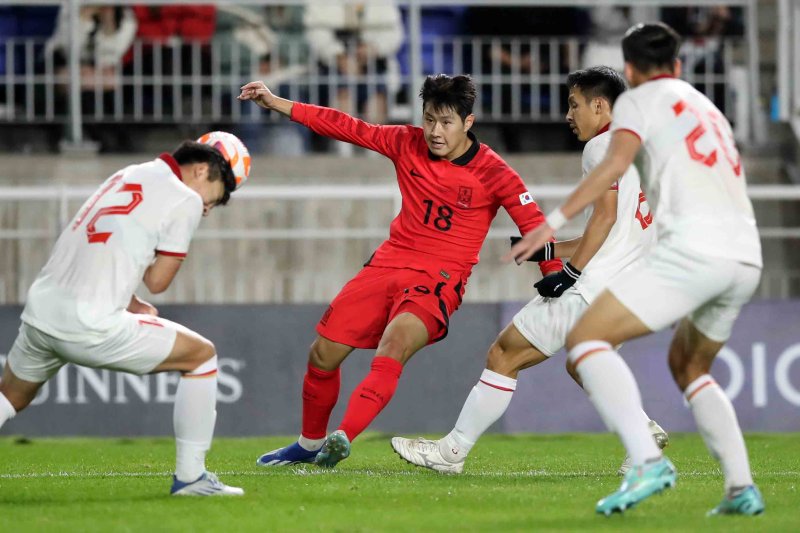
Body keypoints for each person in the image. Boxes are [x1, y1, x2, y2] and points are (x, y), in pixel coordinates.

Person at [238, 74, 563, 468]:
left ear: (468, 123)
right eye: (429, 120)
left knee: (394, 344)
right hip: (388, 264)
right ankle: (309, 444)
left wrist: (553, 273)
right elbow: (347, 126)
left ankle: (343, 437)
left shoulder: (495, 172)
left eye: (446, 123)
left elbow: (534, 222)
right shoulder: (405, 141)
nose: (435, 132)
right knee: (322, 355)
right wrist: (279, 103)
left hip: (438, 280)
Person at [507, 23, 764, 516]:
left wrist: (551, 225)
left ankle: (646, 461)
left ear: (629, 70)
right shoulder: (708, 108)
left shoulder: (638, 102)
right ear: (679, 65)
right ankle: (740, 487)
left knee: (585, 342)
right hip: (745, 253)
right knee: (690, 366)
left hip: (694, 251)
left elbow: (611, 168)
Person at [391, 66, 667, 476]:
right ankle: (640, 433)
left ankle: (451, 453)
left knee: (504, 352)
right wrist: (550, 249)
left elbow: (605, 219)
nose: (568, 115)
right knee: (583, 363)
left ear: (600, 105)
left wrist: (569, 272)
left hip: (593, 287)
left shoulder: (600, 147)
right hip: (631, 287)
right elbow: (622, 231)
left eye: (574, 105)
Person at [0, 132, 250, 497]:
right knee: (202, 357)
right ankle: (191, 478)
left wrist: (129, 301)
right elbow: (158, 280)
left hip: (42, 311)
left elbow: (97, 243)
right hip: (89, 324)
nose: (214, 205)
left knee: (10, 397)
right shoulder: (186, 200)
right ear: (201, 170)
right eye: (223, 192)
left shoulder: (130, 173)